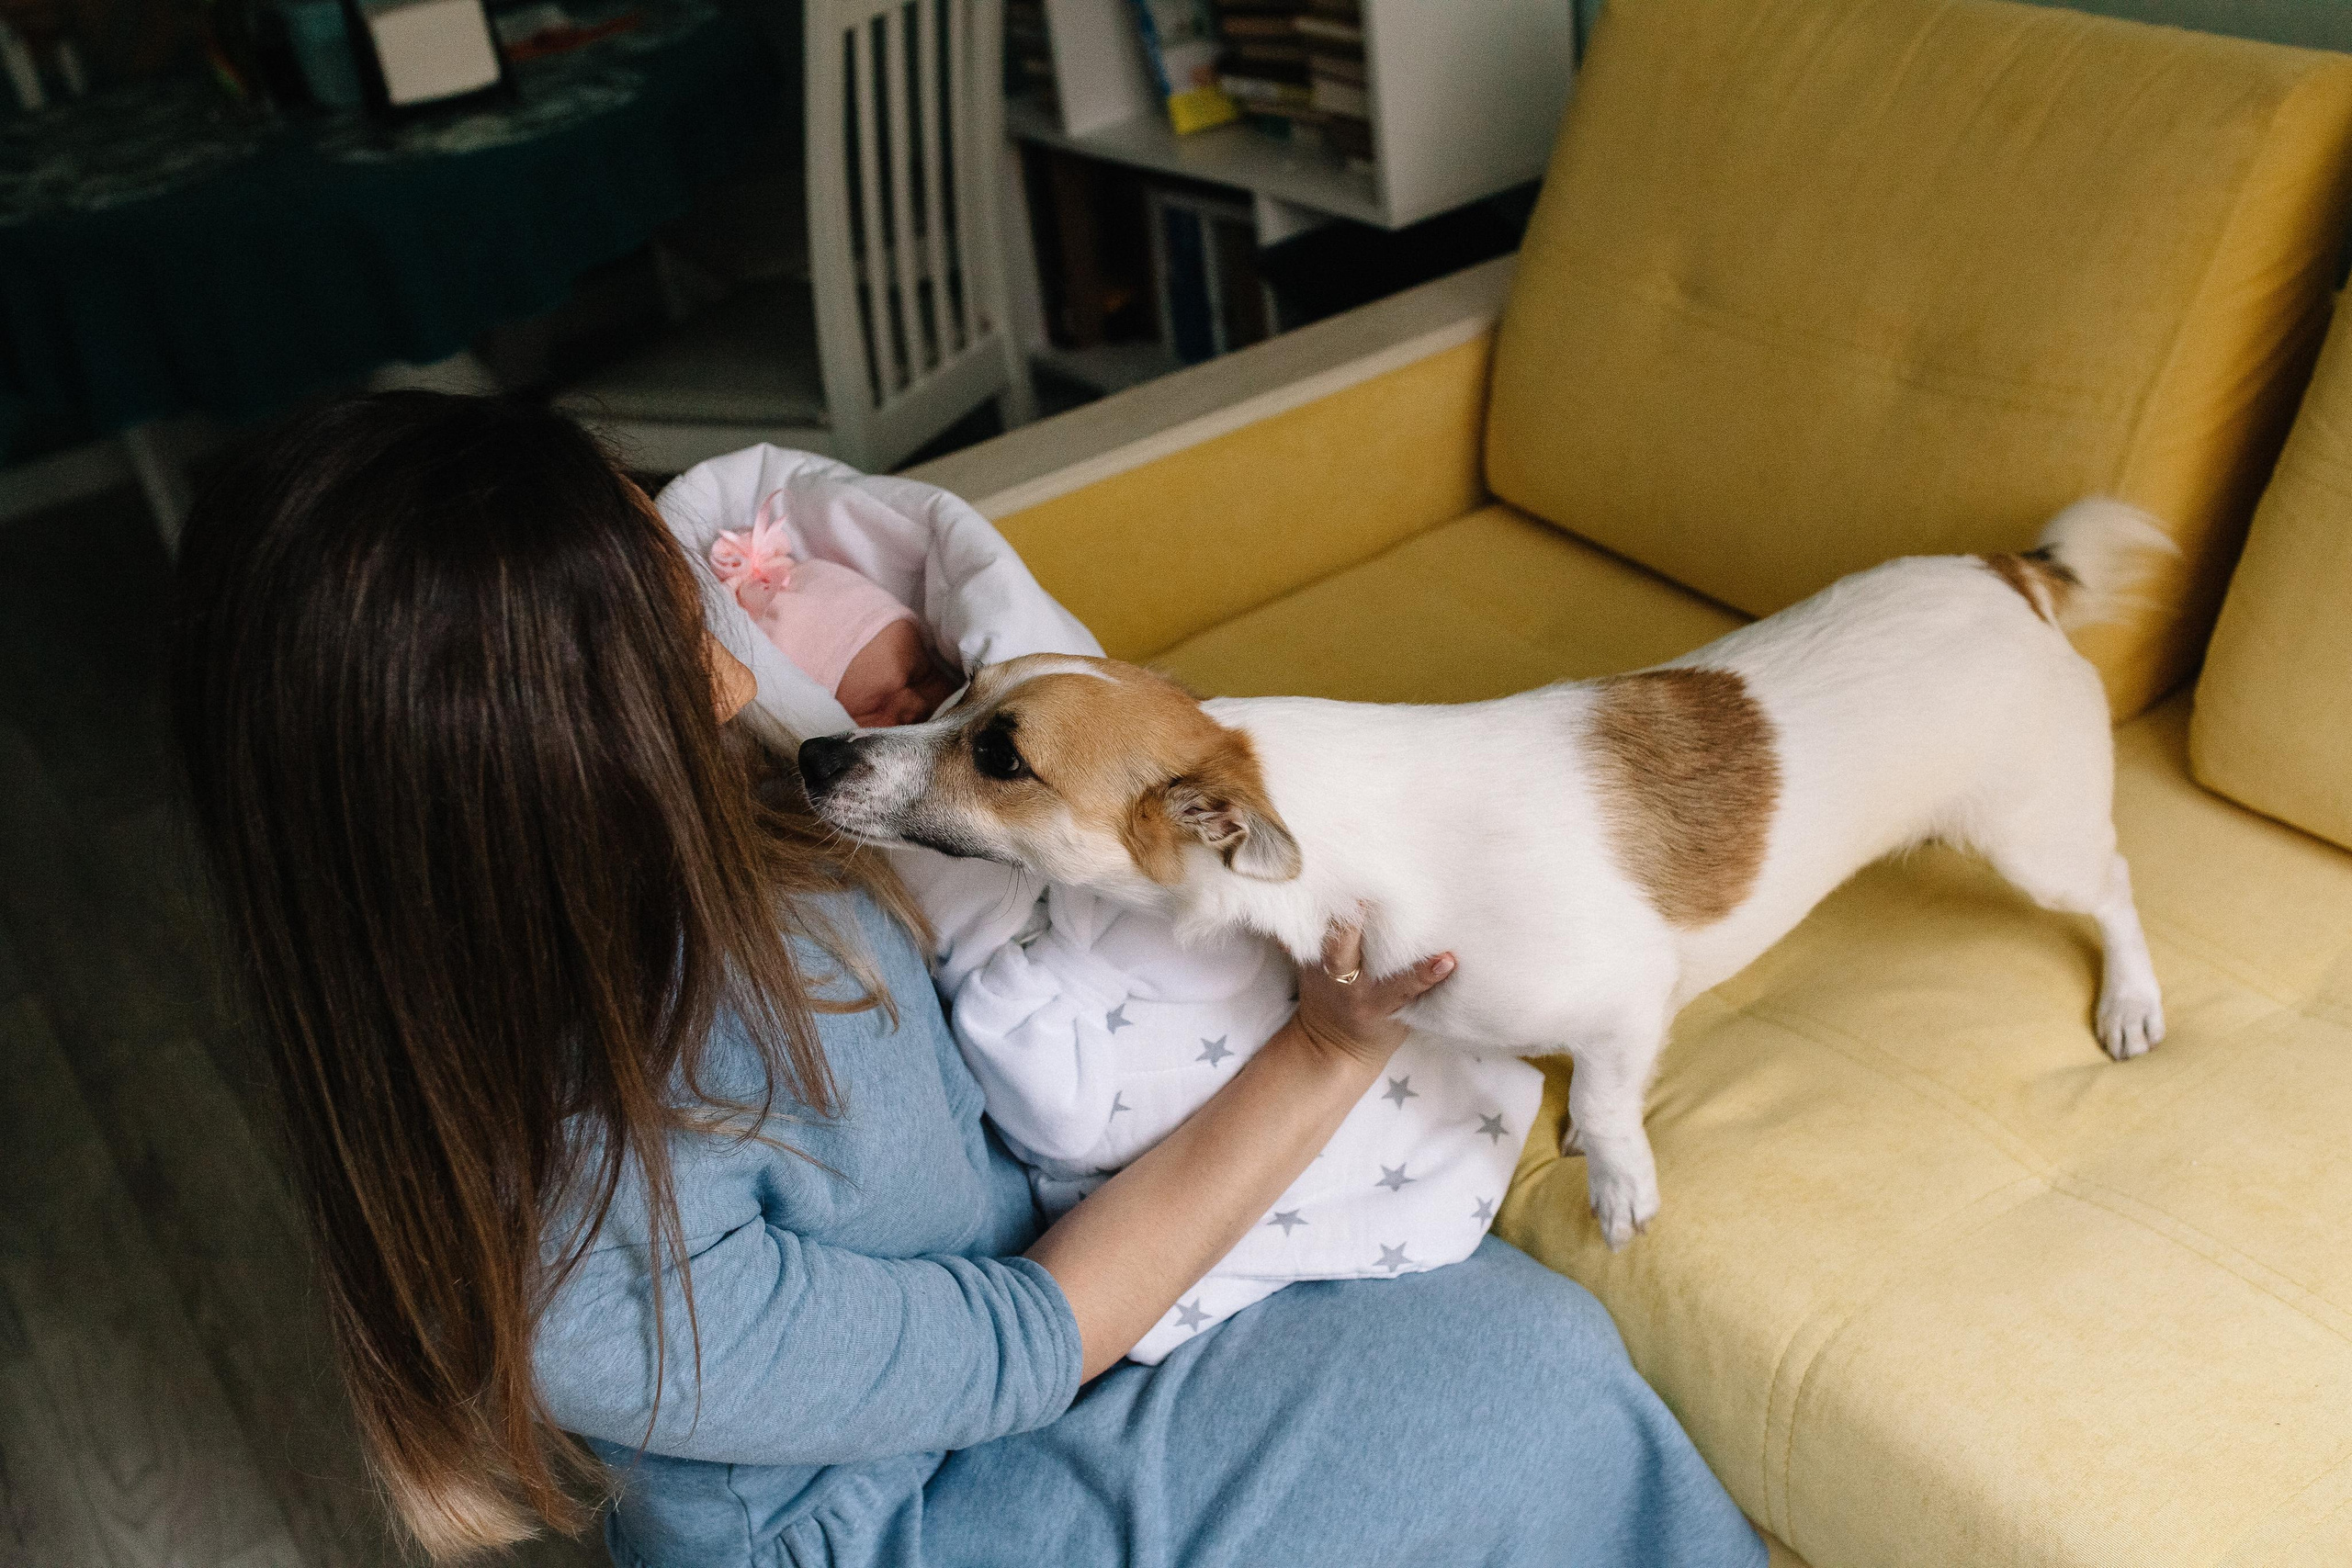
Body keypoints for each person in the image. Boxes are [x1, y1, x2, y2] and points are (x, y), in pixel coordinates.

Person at [168, 390, 1767, 1568]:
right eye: (677, 634)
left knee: (1500, 1338)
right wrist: (1327, 1059)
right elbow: (1027, 1339)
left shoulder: (731, 833)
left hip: (1017, 1322)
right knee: (1524, 1386)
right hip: (907, 1513)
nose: (733, 644)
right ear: (555, 760)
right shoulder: (600, 1263)